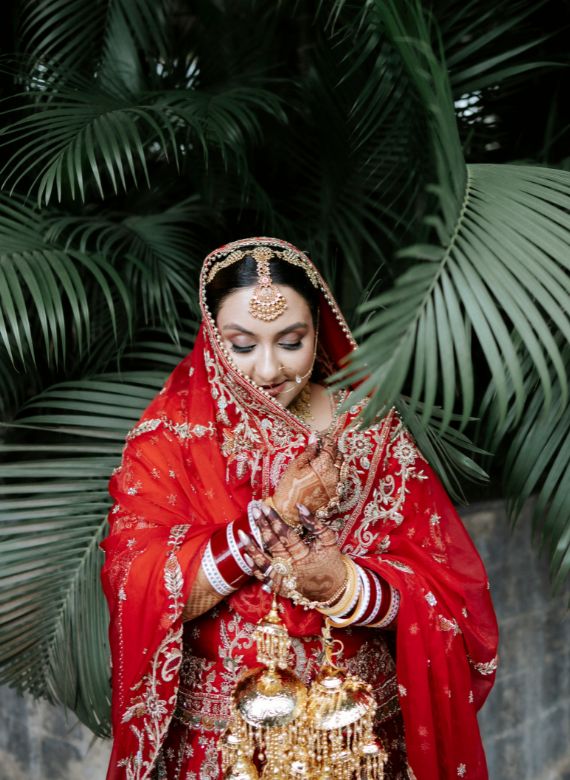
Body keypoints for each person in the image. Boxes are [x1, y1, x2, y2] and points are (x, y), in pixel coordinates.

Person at [101, 237, 498, 780]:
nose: (268, 370)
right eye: (242, 345)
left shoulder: (366, 429)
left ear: (320, 329)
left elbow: (449, 595)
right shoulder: (171, 438)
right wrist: (271, 519)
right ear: (213, 339)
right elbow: (137, 583)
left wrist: (345, 588)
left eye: (291, 341)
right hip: (221, 745)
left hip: (357, 738)